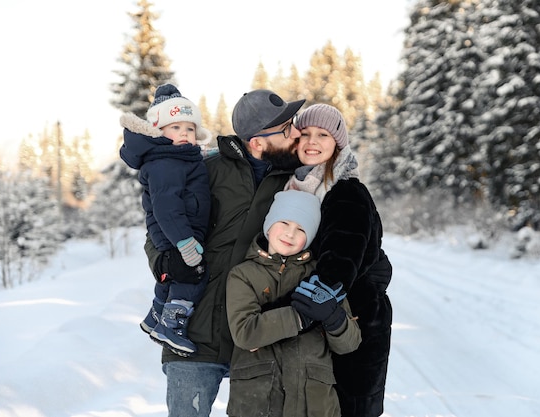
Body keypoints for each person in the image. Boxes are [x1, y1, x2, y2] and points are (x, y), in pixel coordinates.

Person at [142, 89, 306, 417]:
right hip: (195, 334)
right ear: (258, 141)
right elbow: (159, 224)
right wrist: (166, 263)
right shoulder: (206, 169)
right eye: (286, 128)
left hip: (257, 339)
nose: (296, 134)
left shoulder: (297, 184)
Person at [286, 103, 393, 417]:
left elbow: (342, 256)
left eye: (323, 134)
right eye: (304, 134)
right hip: (329, 318)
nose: (312, 141)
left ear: (338, 143)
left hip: (356, 318)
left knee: (351, 406)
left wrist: (315, 293)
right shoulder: (297, 186)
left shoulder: (345, 190)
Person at [226, 189, 361, 417]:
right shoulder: (243, 275)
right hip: (258, 402)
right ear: (268, 224)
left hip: (315, 403)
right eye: (284, 222)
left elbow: (349, 344)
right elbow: (245, 333)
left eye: (301, 229)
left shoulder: (321, 278)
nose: (290, 234)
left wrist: (332, 317)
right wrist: (301, 317)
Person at [119, 83, 213, 356]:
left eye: (190, 129)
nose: (184, 134)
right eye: (176, 128)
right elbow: (166, 207)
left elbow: (194, 164)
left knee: (170, 278)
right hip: (176, 232)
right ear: (158, 131)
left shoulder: (175, 157)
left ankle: (154, 318)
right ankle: (171, 325)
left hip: (177, 230)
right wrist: (184, 241)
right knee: (192, 276)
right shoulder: (165, 163)